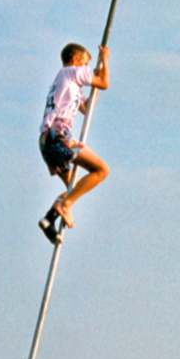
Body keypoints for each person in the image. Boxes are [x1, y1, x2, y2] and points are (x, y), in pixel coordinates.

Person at [38, 42, 110, 241]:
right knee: (101, 170)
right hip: (59, 136)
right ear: (74, 61)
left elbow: (87, 109)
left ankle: (48, 219)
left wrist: (94, 83)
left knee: (75, 187)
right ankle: (64, 205)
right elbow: (105, 83)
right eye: (84, 64)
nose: (85, 69)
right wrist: (104, 60)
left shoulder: (67, 82)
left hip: (46, 141)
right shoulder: (71, 71)